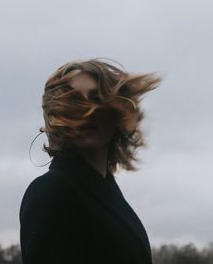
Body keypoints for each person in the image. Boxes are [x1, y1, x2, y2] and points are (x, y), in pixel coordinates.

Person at [19, 58, 161, 264]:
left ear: (116, 110)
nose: (88, 112)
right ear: (57, 115)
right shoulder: (51, 190)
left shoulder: (107, 191)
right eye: (75, 101)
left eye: (96, 99)